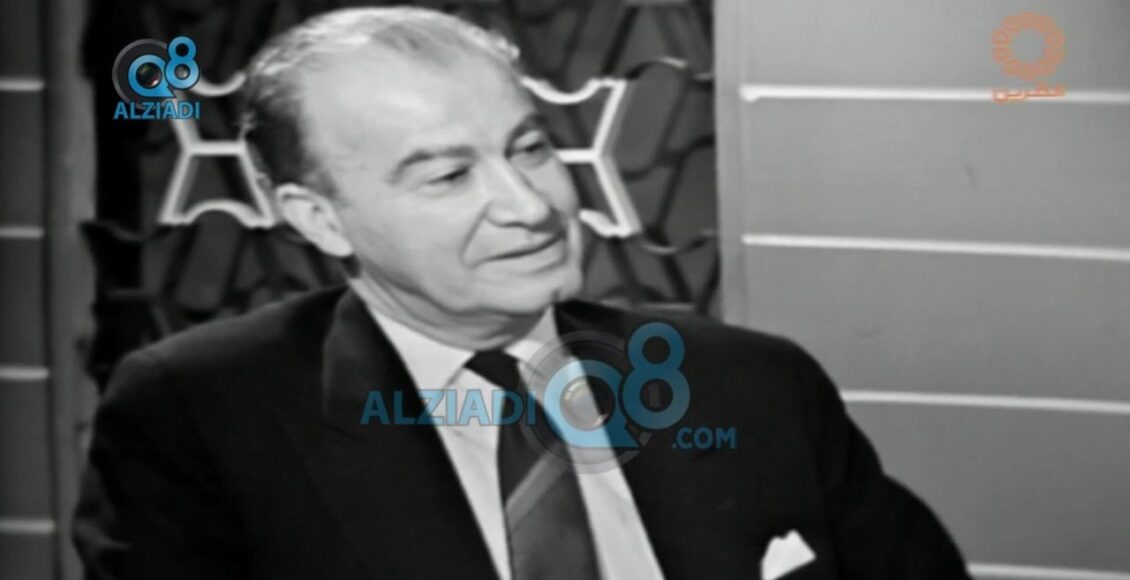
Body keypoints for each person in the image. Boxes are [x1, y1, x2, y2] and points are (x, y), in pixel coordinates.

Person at [72, 7, 969, 579]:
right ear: (321, 218)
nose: (529, 205)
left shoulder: (753, 383)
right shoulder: (198, 412)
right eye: (448, 175)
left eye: (530, 149)